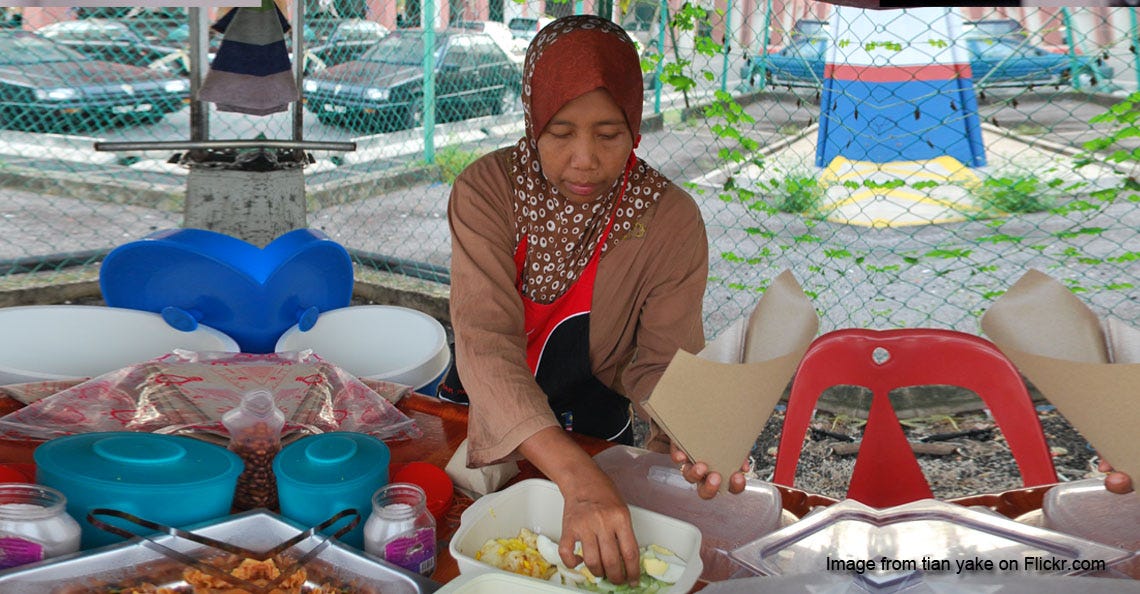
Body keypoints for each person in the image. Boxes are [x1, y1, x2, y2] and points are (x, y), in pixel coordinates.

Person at [443, 14, 745, 585]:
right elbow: (485, 344)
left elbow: (662, 363)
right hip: (484, 411)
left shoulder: (669, 219)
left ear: (635, 124)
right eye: (560, 133)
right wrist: (576, 480)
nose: (585, 158)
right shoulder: (486, 192)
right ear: (533, 122)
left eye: (609, 134)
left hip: (593, 426)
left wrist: (697, 431)